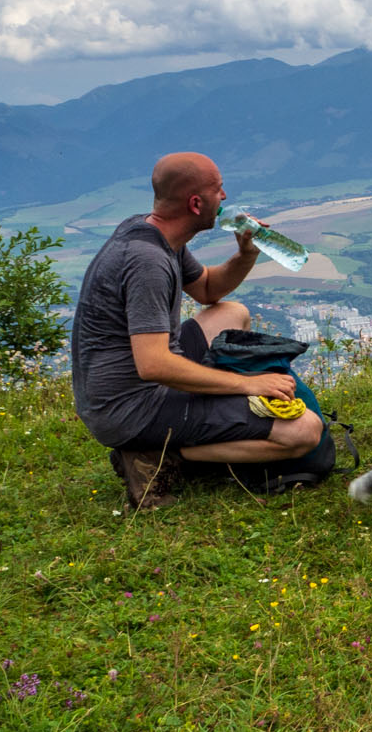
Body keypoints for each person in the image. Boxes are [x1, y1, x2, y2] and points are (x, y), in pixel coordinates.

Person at [71, 152, 324, 509]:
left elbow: (207, 289)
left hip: (125, 385)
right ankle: (160, 455)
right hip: (130, 406)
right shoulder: (147, 262)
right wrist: (250, 385)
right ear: (195, 203)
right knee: (304, 431)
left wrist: (246, 255)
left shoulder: (153, 232)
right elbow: (153, 366)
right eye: (218, 190)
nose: (224, 197)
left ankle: (210, 420)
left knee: (232, 314)